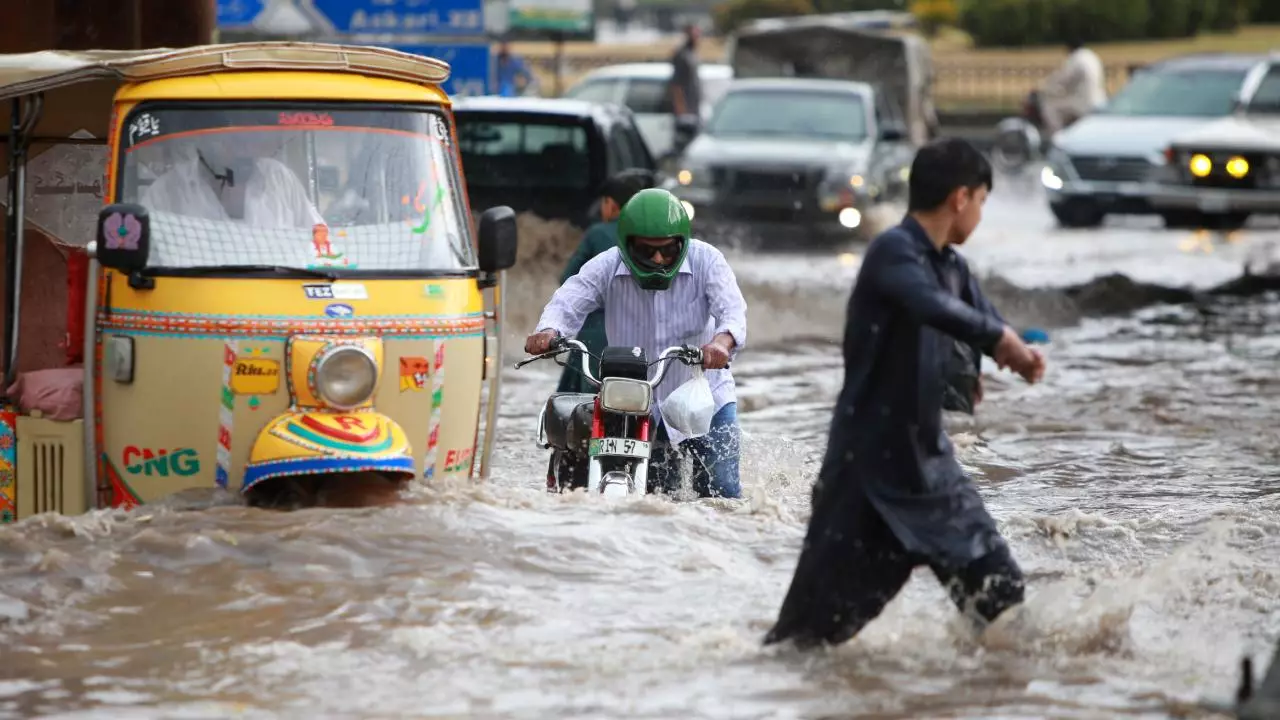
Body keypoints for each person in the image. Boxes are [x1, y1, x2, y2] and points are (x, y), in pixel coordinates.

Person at [763, 137, 1046, 649]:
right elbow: (928, 306)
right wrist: (1001, 340)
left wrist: (992, 355)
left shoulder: (953, 266)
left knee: (1000, 596)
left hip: (929, 470)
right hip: (863, 474)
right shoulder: (893, 251)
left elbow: (976, 319)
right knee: (806, 639)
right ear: (960, 198)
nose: (980, 214)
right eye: (982, 201)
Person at [525, 188, 747, 499]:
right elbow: (568, 300)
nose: (658, 259)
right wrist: (548, 331)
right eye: (647, 250)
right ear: (628, 244)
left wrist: (721, 344)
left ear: (681, 242)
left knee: (721, 494)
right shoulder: (606, 265)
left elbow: (732, 312)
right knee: (654, 499)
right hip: (635, 405)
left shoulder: (707, 261)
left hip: (705, 400)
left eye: (668, 250)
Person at [556, 168, 657, 395]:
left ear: (611, 204)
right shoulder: (651, 234)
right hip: (643, 335)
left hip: (596, 334)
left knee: (582, 405)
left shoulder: (597, 233)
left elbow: (567, 280)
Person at [141, 137, 323, 229]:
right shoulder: (167, 191)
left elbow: (319, 239)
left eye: (244, 138)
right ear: (202, 143)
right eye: (227, 139)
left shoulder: (279, 178)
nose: (241, 146)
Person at [1039, 38, 1107, 138]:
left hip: (1083, 103)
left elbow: (1063, 80)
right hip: (1100, 100)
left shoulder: (1075, 59)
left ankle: (1057, 138)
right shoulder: (1091, 55)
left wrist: (1047, 88)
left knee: (1049, 107)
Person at [667, 24, 703, 157]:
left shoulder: (692, 53)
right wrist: (681, 109)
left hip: (694, 108)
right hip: (685, 110)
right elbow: (676, 85)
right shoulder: (682, 55)